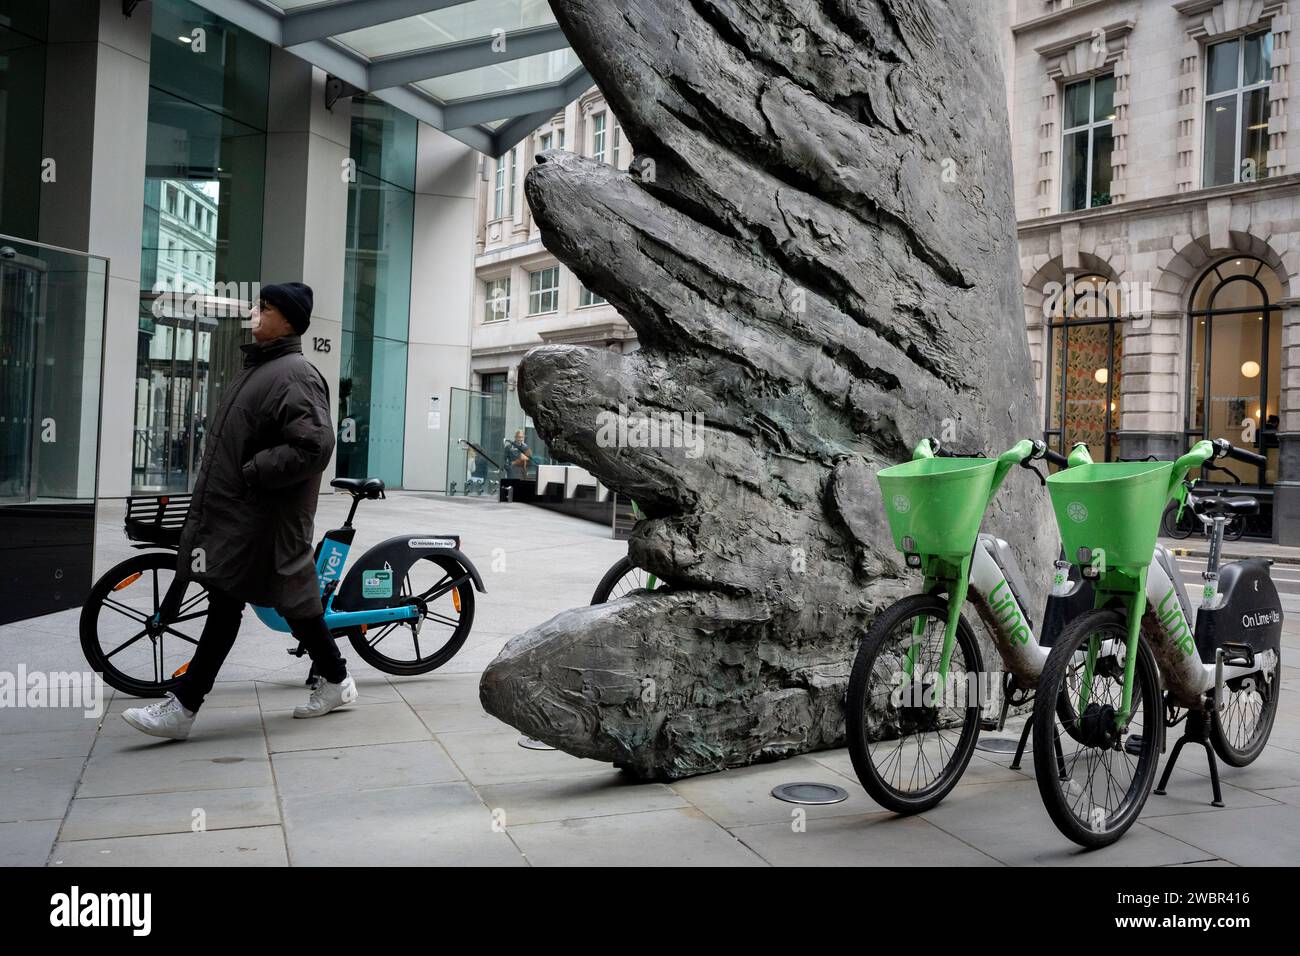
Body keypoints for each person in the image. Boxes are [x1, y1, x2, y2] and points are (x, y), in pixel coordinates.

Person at [122, 282, 356, 740]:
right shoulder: (264, 368)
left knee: (244, 602)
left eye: (264, 308)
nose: (254, 313)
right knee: (269, 602)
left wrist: (254, 471)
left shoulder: (294, 374)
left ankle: (184, 708)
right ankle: (335, 678)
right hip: (245, 514)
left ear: (287, 320)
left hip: (264, 517)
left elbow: (314, 444)